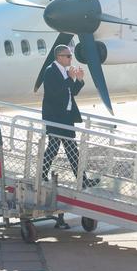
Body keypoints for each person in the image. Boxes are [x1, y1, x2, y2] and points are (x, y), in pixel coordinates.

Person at [40, 44, 93, 187]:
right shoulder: (50, 71)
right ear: (59, 57)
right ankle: (42, 175)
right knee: (53, 148)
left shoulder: (65, 71)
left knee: (71, 150)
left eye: (71, 55)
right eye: (68, 56)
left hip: (66, 116)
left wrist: (79, 80)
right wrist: (70, 78)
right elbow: (55, 93)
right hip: (55, 117)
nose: (71, 58)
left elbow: (71, 92)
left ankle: (83, 180)